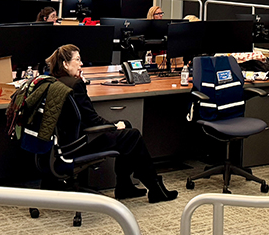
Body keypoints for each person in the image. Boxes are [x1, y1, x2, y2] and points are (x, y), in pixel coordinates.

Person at [45, 44, 178, 203]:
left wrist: (118, 125)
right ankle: (154, 187)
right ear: (65, 64)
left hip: (66, 143)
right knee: (132, 135)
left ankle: (125, 186)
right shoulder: (76, 85)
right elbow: (92, 119)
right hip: (79, 145)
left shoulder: (56, 81)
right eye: (78, 60)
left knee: (127, 126)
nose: (81, 64)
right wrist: (114, 126)